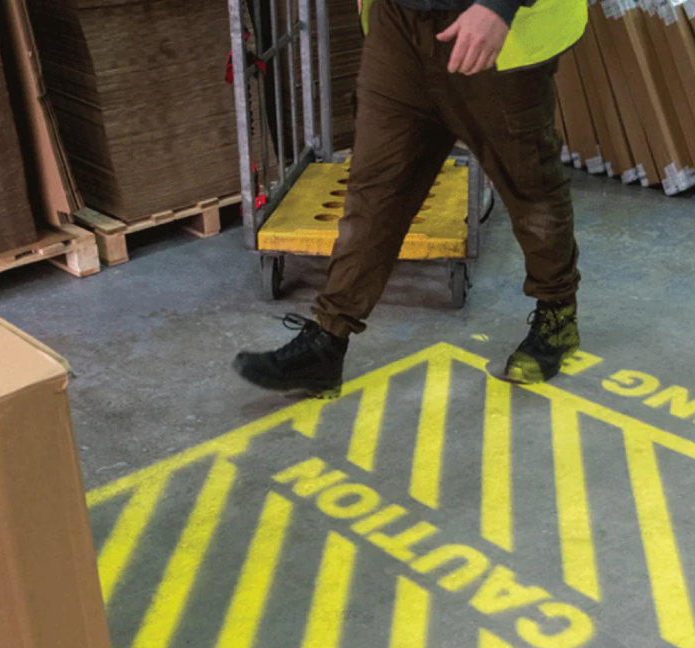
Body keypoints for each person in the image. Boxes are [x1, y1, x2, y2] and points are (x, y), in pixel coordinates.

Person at [233, 0, 587, 399]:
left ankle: (557, 316)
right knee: (374, 189)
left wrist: (499, 6)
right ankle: (327, 341)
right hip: (398, 24)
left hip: (493, 27)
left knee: (529, 186)